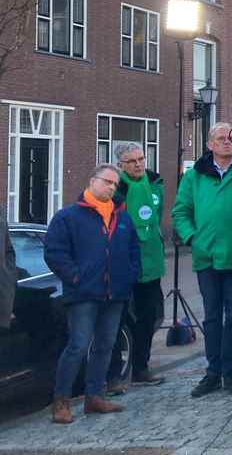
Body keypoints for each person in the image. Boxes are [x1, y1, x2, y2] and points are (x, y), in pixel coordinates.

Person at [172, 123, 232, 398]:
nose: (228, 142)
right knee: (212, 317)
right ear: (210, 144)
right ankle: (213, 371)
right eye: (222, 139)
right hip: (207, 255)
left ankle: (230, 370)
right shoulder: (194, 177)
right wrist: (192, 238)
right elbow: (180, 212)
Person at [44, 165, 141, 423]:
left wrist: (130, 276)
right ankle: (61, 402)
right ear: (92, 181)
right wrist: (75, 277)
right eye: (107, 181)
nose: (111, 187)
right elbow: (54, 252)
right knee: (78, 345)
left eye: (115, 184)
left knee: (105, 346)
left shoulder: (122, 217)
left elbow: (133, 250)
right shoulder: (68, 217)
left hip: (115, 293)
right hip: (83, 293)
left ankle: (94, 396)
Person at [104, 143, 166, 395]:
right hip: (121, 264)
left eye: (141, 159)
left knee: (148, 316)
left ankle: (141, 366)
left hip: (149, 263)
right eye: (132, 161)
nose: (139, 164)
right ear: (121, 166)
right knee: (115, 322)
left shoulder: (154, 183)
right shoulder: (113, 188)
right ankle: (113, 375)